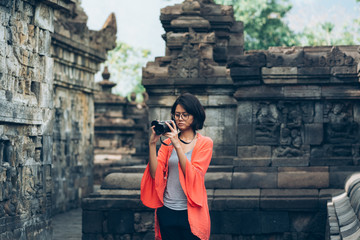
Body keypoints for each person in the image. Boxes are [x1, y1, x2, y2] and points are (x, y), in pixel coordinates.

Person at [140, 93, 213, 240]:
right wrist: (152, 144)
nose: (180, 119)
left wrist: (177, 145)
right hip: (167, 210)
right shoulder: (167, 144)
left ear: (195, 116)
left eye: (185, 115)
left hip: (191, 212)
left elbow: (194, 176)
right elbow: (155, 175)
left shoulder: (205, 143)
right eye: (177, 115)